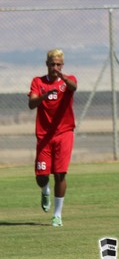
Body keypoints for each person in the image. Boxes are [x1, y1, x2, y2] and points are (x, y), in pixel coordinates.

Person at [28, 49, 78, 227]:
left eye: (58, 64)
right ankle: (45, 190)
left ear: (62, 65)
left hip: (64, 133)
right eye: (52, 64)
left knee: (60, 174)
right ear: (47, 64)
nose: (55, 67)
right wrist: (44, 96)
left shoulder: (67, 80)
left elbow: (73, 86)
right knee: (42, 176)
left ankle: (57, 215)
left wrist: (62, 78)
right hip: (44, 136)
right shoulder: (38, 82)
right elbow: (31, 104)